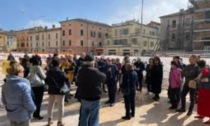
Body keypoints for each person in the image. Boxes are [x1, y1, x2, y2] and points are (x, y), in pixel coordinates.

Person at [76, 55, 106, 126]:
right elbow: (104, 78)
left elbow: (77, 82)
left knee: (83, 117)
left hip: (84, 97)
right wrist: (96, 68)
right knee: (94, 118)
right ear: (92, 63)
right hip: (94, 98)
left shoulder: (81, 71)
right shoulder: (95, 71)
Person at [45, 59, 70, 126]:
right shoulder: (61, 72)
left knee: (50, 105)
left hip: (51, 91)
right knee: (60, 107)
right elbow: (67, 81)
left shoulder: (49, 72)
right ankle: (59, 121)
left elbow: (46, 81)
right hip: (59, 91)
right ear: (59, 64)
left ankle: (49, 119)